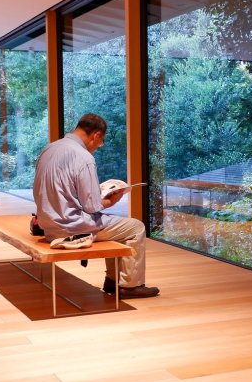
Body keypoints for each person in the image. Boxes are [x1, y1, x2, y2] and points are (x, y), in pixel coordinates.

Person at [33, 113, 159, 299]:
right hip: (71, 226)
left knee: (115, 226)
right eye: (101, 143)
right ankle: (130, 285)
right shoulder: (83, 157)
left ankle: (112, 281)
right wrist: (112, 199)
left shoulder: (49, 148)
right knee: (135, 227)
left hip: (47, 224)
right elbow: (91, 206)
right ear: (97, 135)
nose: (98, 147)